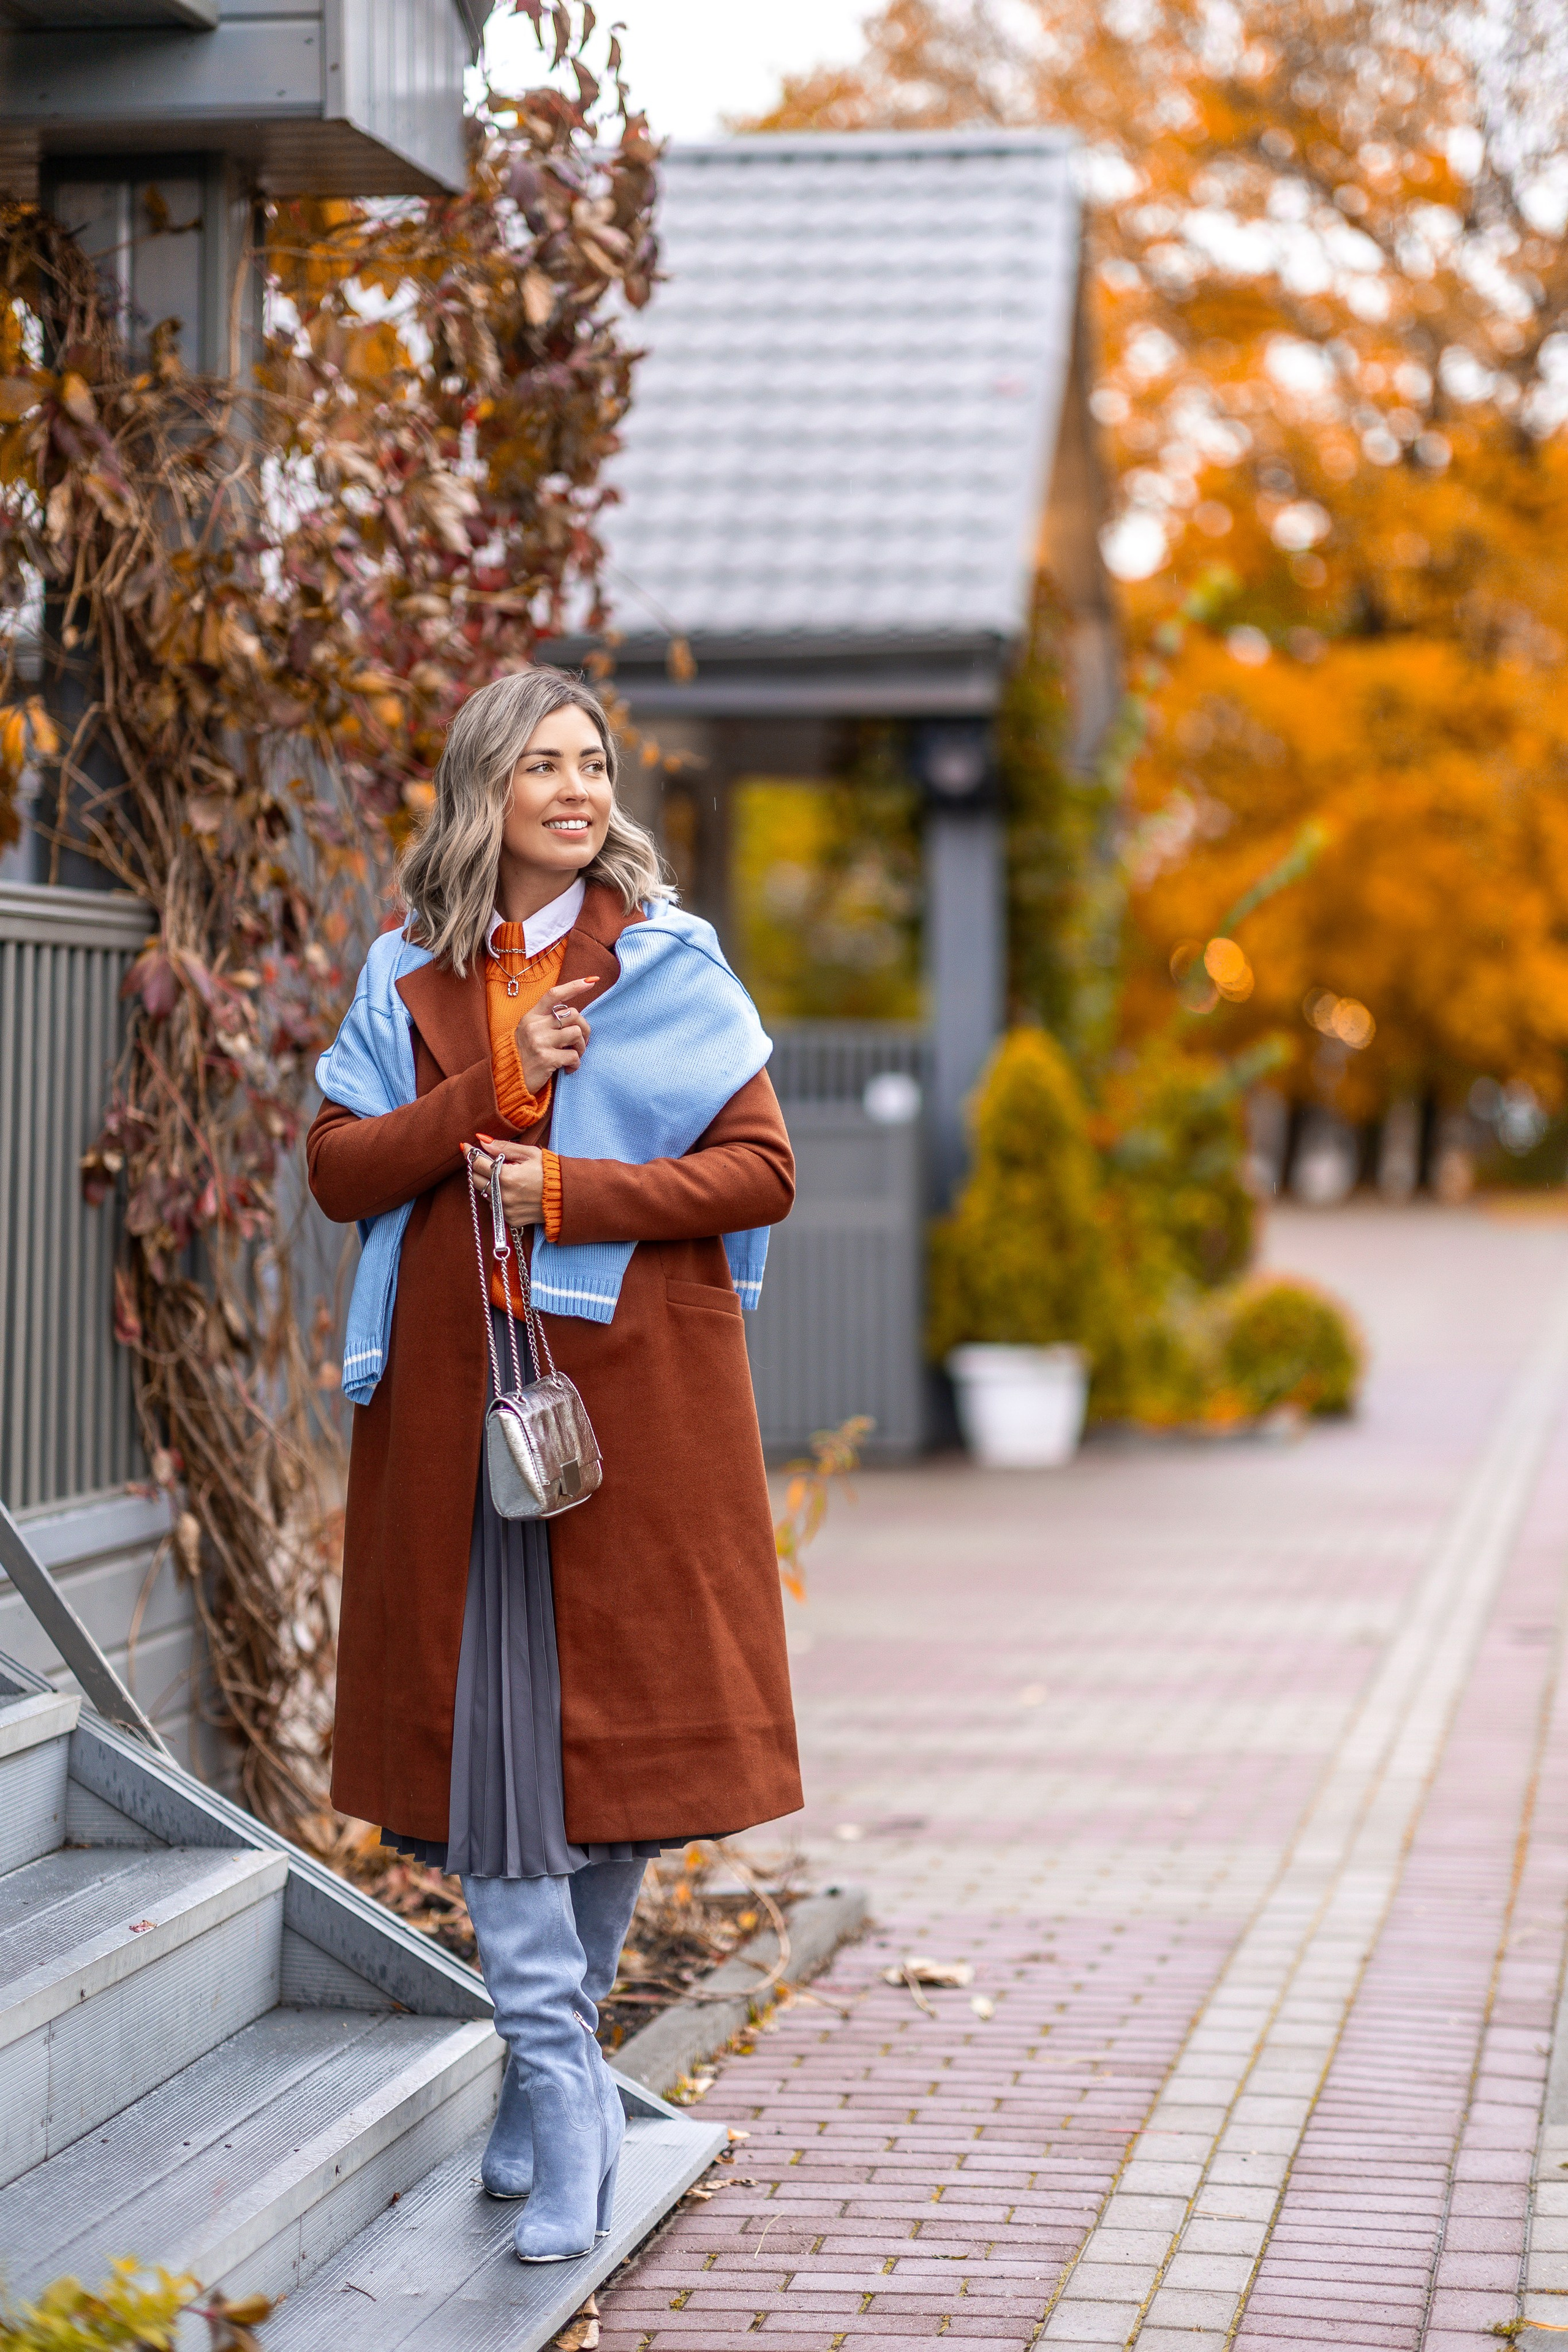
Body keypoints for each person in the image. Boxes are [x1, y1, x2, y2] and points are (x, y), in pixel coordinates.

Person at [307, 665, 802, 2263]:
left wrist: (568, 1188)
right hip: (456, 1425)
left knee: (633, 1777)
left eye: (595, 763)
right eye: (545, 767)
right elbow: (339, 1171)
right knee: (490, 1771)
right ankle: (565, 2083)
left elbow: (760, 1173)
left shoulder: (665, 962)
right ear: (485, 792)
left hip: (632, 1423)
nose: (580, 790)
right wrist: (492, 1086)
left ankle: (555, 2062)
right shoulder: (407, 974)